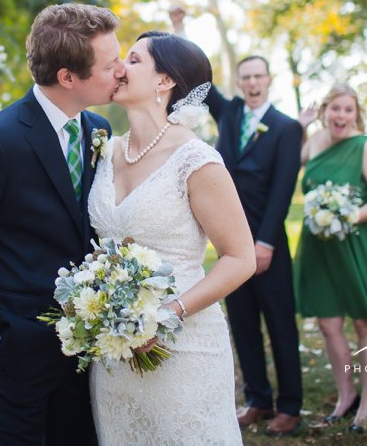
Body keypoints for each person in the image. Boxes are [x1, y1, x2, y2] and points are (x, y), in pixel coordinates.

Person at [0, 3, 125, 446]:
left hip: (85, 352)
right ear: (68, 77)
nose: (121, 71)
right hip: (13, 353)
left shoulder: (98, 129)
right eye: (109, 64)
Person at [88, 31, 256, 445]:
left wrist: (168, 314)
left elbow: (240, 257)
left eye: (134, 59)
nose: (119, 68)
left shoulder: (196, 159)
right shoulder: (107, 151)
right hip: (114, 345)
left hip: (182, 341)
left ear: (165, 82)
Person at [170, 7, 304, 436]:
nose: (251, 83)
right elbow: (200, 80)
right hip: (230, 243)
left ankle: (290, 405)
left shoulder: (285, 128)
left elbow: (285, 187)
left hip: (268, 243)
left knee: (280, 324)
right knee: (242, 322)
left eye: (257, 77)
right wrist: (180, 31)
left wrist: (265, 243)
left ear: (268, 81)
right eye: (245, 77)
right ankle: (258, 399)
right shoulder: (227, 114)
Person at [294, 83, 367, 433]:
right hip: (320, 247)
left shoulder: (366, 147)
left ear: (356, 114)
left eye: (347, 109)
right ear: (324, 111)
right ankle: (345, 395)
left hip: (358, 241)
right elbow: (296, 165)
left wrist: (345, 216)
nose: (340, 116)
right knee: (328, 323)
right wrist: (301, 127)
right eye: (334, 109)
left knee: (365, 322)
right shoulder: (317, 141)